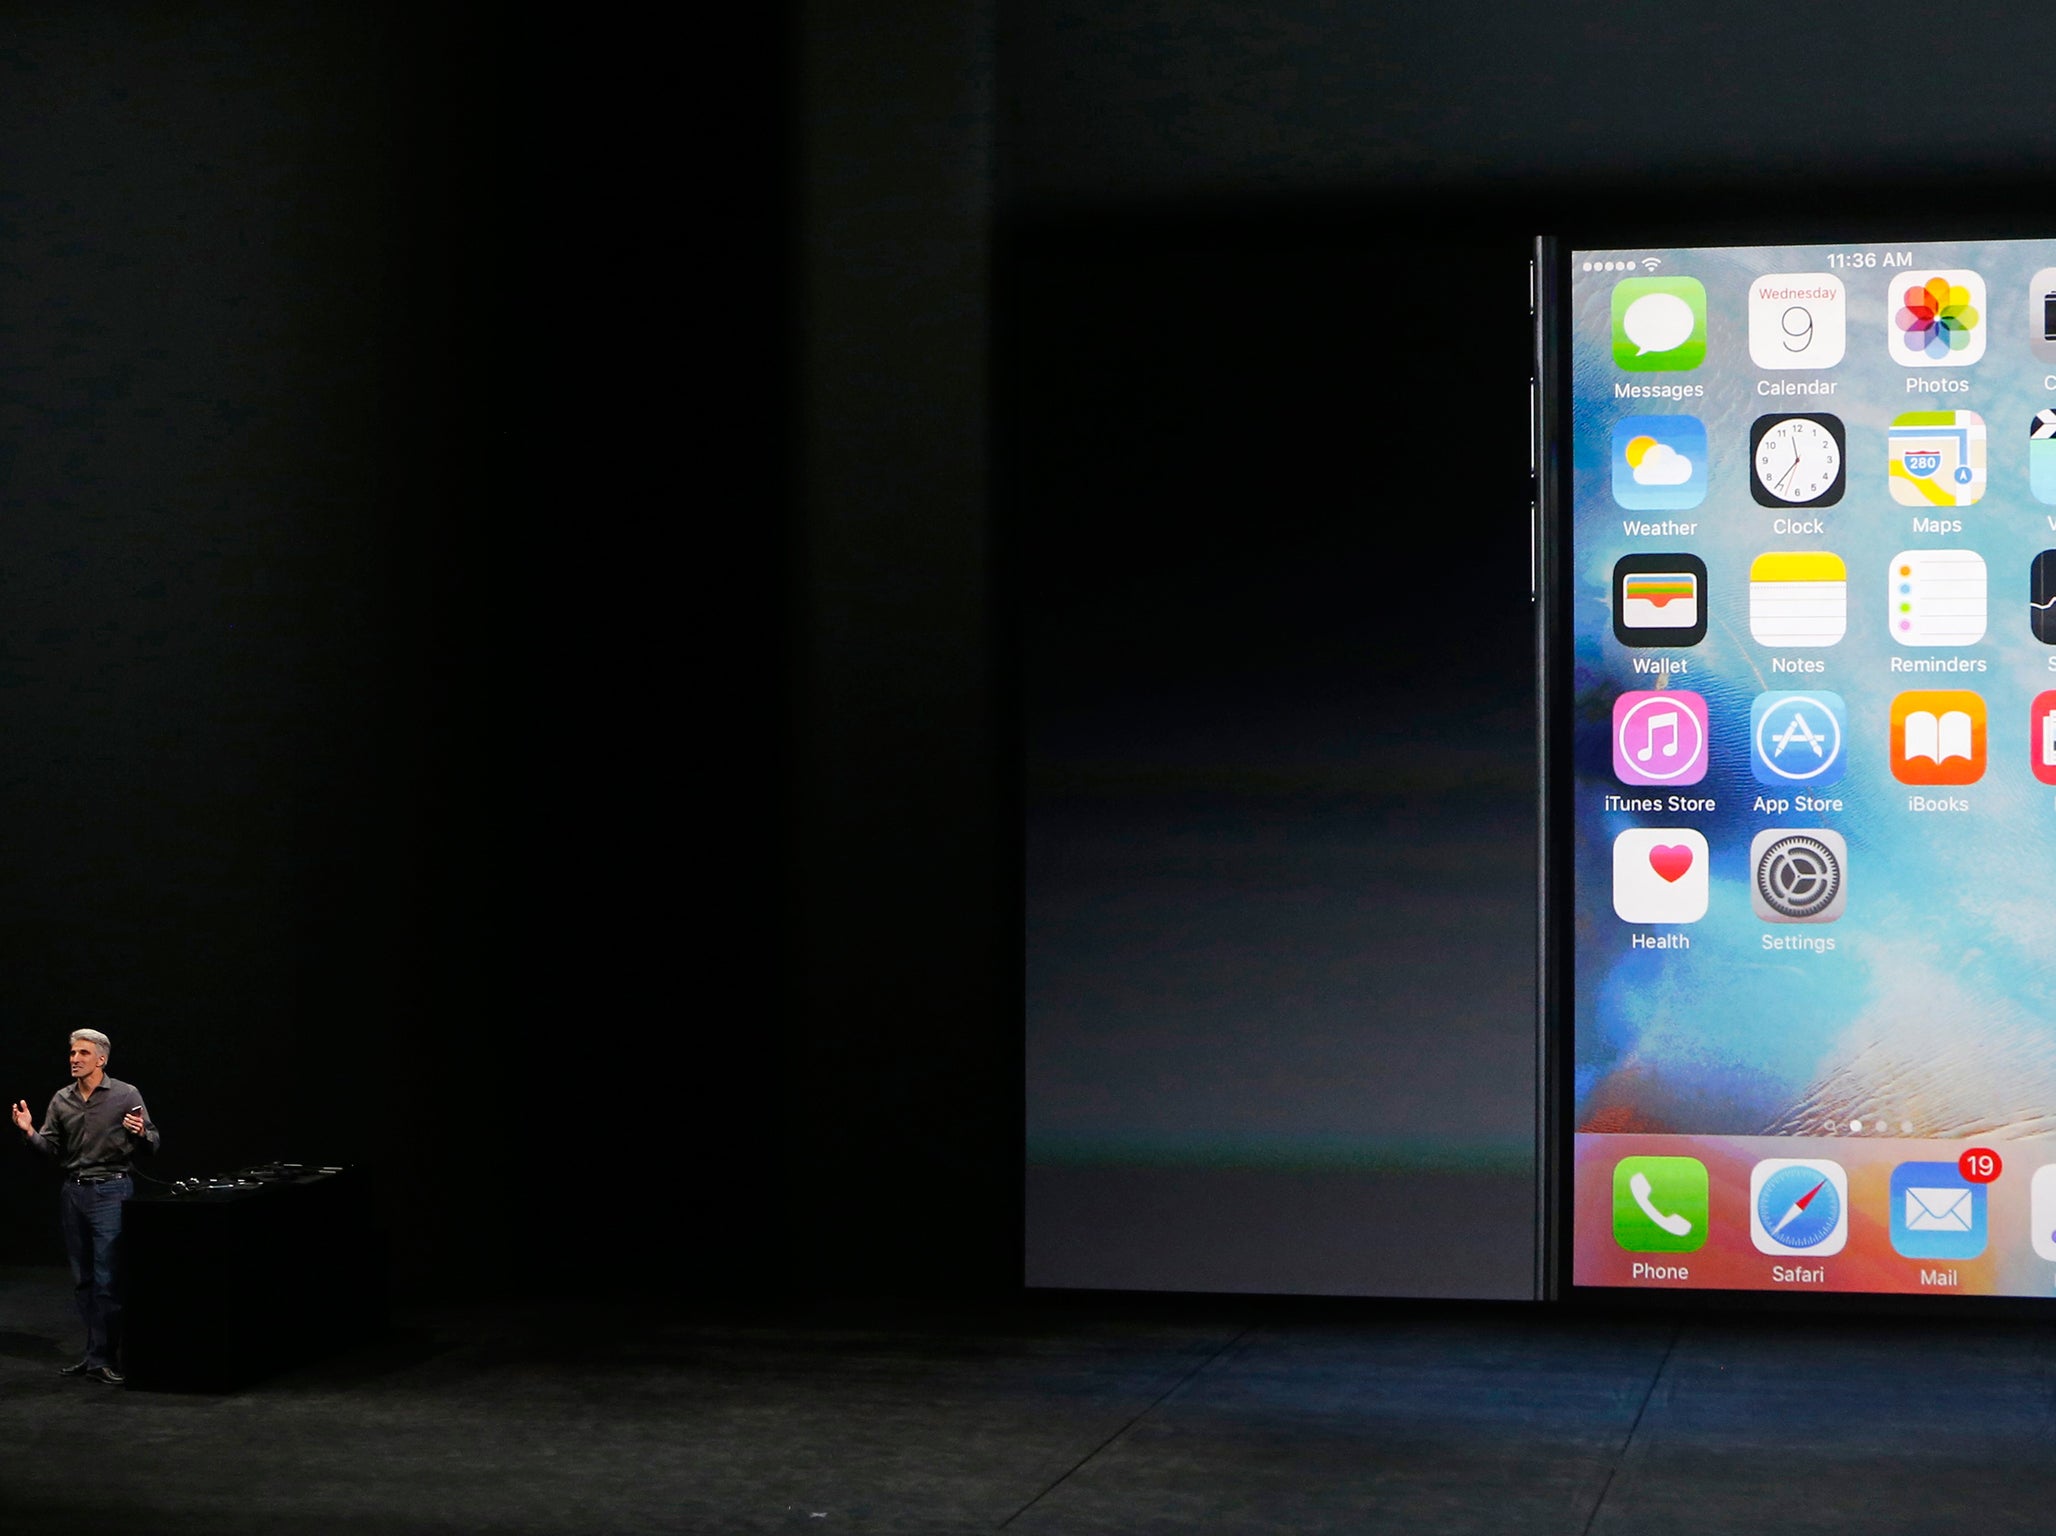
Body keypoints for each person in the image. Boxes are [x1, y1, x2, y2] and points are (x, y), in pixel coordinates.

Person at [10, 1030, 160, 1384]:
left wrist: (140, 1134)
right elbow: (48, 1149)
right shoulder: (62, 1099)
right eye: (72, 1053)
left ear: (101, 1059)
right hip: (74, 1194)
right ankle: (95, 1354)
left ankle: (105, 1356)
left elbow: (153, 1142)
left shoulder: (125, 1094)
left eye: (82, 1053)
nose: (74, 1058)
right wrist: (30, 1132)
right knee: (84, 1281)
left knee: (108, 1279)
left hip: (112, 1191)